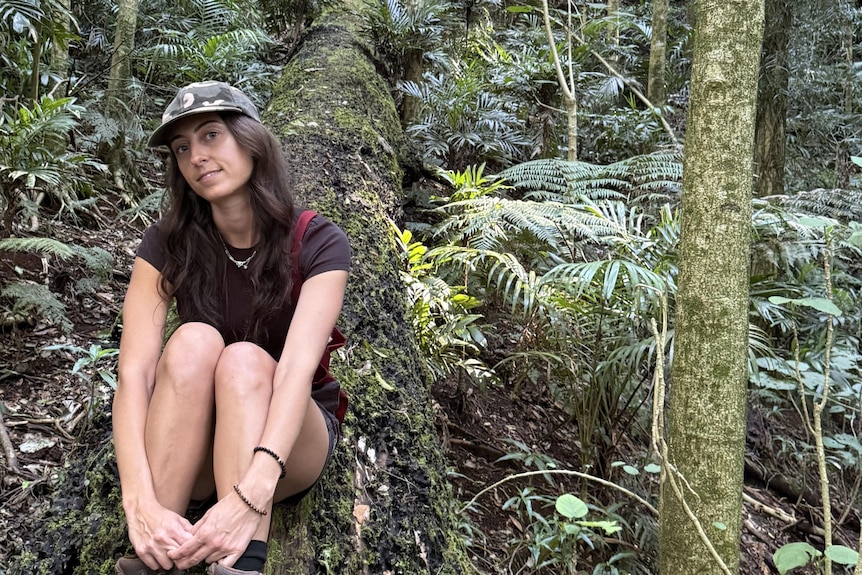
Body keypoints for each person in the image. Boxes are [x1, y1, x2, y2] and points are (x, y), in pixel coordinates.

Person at [112, 81, 351, 575]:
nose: (197, 155)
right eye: (182, 148)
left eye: (212, 135)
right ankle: (159, 551)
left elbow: (295, 373)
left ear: (251, 141)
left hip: (288, 444)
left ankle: (241, 562)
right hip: (202, 439)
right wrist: (138, 500)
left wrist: (252, 492)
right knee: (194, 340)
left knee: (244, 359)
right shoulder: (166, 244)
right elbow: (135, 374)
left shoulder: (317, 242)